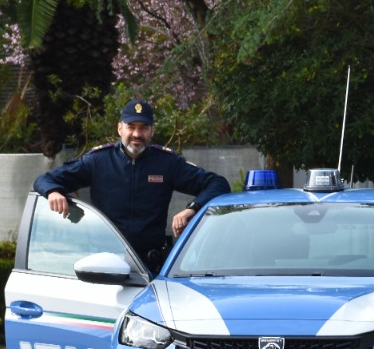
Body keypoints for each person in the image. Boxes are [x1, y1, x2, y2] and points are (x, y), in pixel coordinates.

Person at [33, 99, 230, 269]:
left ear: (152, 131)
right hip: (106, 264)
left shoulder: (167, 163)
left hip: (151, 266)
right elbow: (44, 180)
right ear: (120, 128)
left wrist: (192, 209)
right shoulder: (98, 161)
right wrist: (53, 192)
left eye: (143, 128)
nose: (137, 134)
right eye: (131, 127)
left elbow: (218, 184)